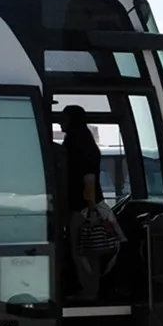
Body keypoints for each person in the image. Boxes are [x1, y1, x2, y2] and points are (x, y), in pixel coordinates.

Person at [63, 105, 106, 300]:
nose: (59, 122)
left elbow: (87, 178)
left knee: (82, 250)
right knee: (89, 250)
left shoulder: (76, 142)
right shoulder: (87, 141)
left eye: (63, 117)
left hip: (83, 207)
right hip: (89, 204)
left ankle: (88, 291)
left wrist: (91, 208)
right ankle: (91, 289)